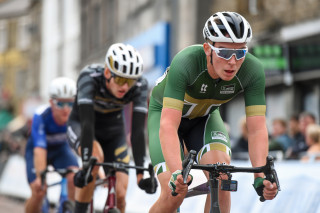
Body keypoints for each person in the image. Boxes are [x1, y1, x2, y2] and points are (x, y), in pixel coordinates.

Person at [148, 11, 278, 213]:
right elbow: (168, 126)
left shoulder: (252, 70)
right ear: (208, 49)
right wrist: (177, 173)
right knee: (174, 193)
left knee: (222, 178)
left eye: (240, 53)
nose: (233, 61)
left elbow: (257, 129)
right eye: (225, 52)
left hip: (204, 118)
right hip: (165, 118)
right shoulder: (186, 62)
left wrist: (260, 177)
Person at [67, 43, 152, 213]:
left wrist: (142, 174)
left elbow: (137, 131)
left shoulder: (140, 85)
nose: (125, 87)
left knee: (120, 195)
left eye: (130, 81)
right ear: (107, 73)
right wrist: (85, 166)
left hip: (114, 134)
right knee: (95, 159)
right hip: (83, 127)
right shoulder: (89, 77)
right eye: (120, 79)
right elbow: (87, 124)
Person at [25, 77, 79, 213]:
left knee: (75, 177)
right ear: (51, 102)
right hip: (37, 151)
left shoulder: (76, 116)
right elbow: (39, 149)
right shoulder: (41, 115)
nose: (66, 109)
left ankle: (69, 209)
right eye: (60, 104)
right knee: (39, 191)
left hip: (60, 150)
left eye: (70, 103)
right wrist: (40, 177)